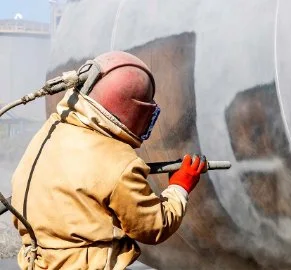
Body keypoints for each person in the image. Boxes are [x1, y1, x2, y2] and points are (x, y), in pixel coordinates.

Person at [11, 51, 206, 270]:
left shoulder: (50, 131)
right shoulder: (119, 162)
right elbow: (152, 227)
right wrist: (180, 187)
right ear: (135, 112)